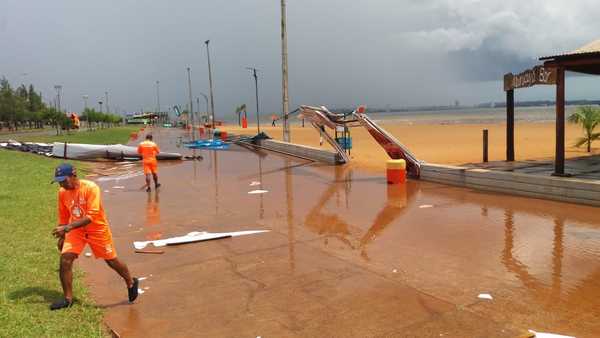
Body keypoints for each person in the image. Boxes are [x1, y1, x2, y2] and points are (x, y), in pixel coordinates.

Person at [50, 163, 138, 310]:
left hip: (97, 229)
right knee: (65, 259)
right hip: (76, 231)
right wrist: (63, 235)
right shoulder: (62, 192)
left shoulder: (91, 188)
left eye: (63, 180)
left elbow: (91, 216)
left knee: (111, 261)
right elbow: (64, 215)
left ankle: (130, 282)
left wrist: (67, 227)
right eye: (59, 181)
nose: (61, 184)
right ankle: (68, 299)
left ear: (73, 175)